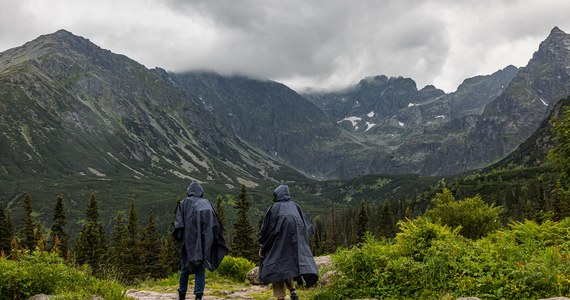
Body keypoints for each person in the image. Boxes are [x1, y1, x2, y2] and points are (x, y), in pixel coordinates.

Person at [258, 184, 319, 300]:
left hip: (277, 245)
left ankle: (280, 297)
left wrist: (262, 247)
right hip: (293, 245)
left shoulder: (274, 208)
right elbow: (305, 226)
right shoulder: (296, 206)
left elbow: (266, 230)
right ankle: (293, 291)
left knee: (276, 268)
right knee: (289, 266)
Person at [173, 180, 228, 300]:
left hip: (187, 243)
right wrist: (213, 240)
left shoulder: (183, 203)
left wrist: (180, 238)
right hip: (204, 242)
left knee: (184, 268)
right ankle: (198, 296)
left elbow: (178, 224)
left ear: (189, 191)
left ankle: (182, 294)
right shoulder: (206, 203)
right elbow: (214, 224)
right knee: (200, 268)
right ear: (201, 192)